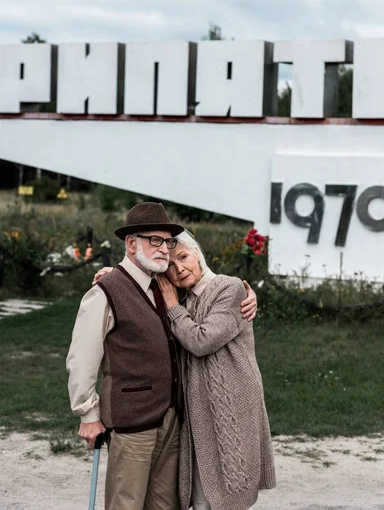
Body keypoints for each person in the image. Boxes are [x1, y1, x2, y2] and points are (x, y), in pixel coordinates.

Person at [66, 202, 257, 510]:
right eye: (154, 240)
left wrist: (249, 296)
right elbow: (81, 357)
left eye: (167, 242)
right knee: (127, 503)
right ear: (131, 243)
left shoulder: (166, 286)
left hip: (171, 419)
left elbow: (208, 304)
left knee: (165, 505)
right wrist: (88, 414)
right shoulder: (105, 291)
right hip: (132, 419)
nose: (164, 249)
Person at [157, 230, 276, 510]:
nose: (180, 268)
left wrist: (173, 307)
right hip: (199, 408)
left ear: (197, 253)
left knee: (229, 492)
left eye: (184, 257)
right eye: (171, 266)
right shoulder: (184, 301)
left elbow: (202, 341)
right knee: (203, 491)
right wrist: (110, 273)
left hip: (232, 402)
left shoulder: (230, 288)